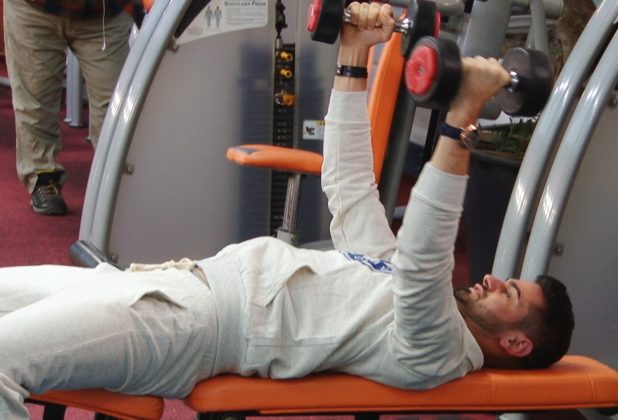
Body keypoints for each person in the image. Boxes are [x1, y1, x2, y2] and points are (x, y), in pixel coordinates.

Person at [0, 3, 574, 418]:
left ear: (516, 343)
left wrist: (463, 116)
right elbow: (349, 185)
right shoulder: (391, 274)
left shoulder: (439, 348)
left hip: (191, 327)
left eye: (510, 294)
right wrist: (354, 52)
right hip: (166, 283)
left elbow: (428, 253)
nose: (492, 279)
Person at [3, 0, 133, 215]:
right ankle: (42, 177)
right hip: (34, 9)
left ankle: (119, 183)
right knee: (35, 104)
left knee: (117, 112)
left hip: (104, 15)